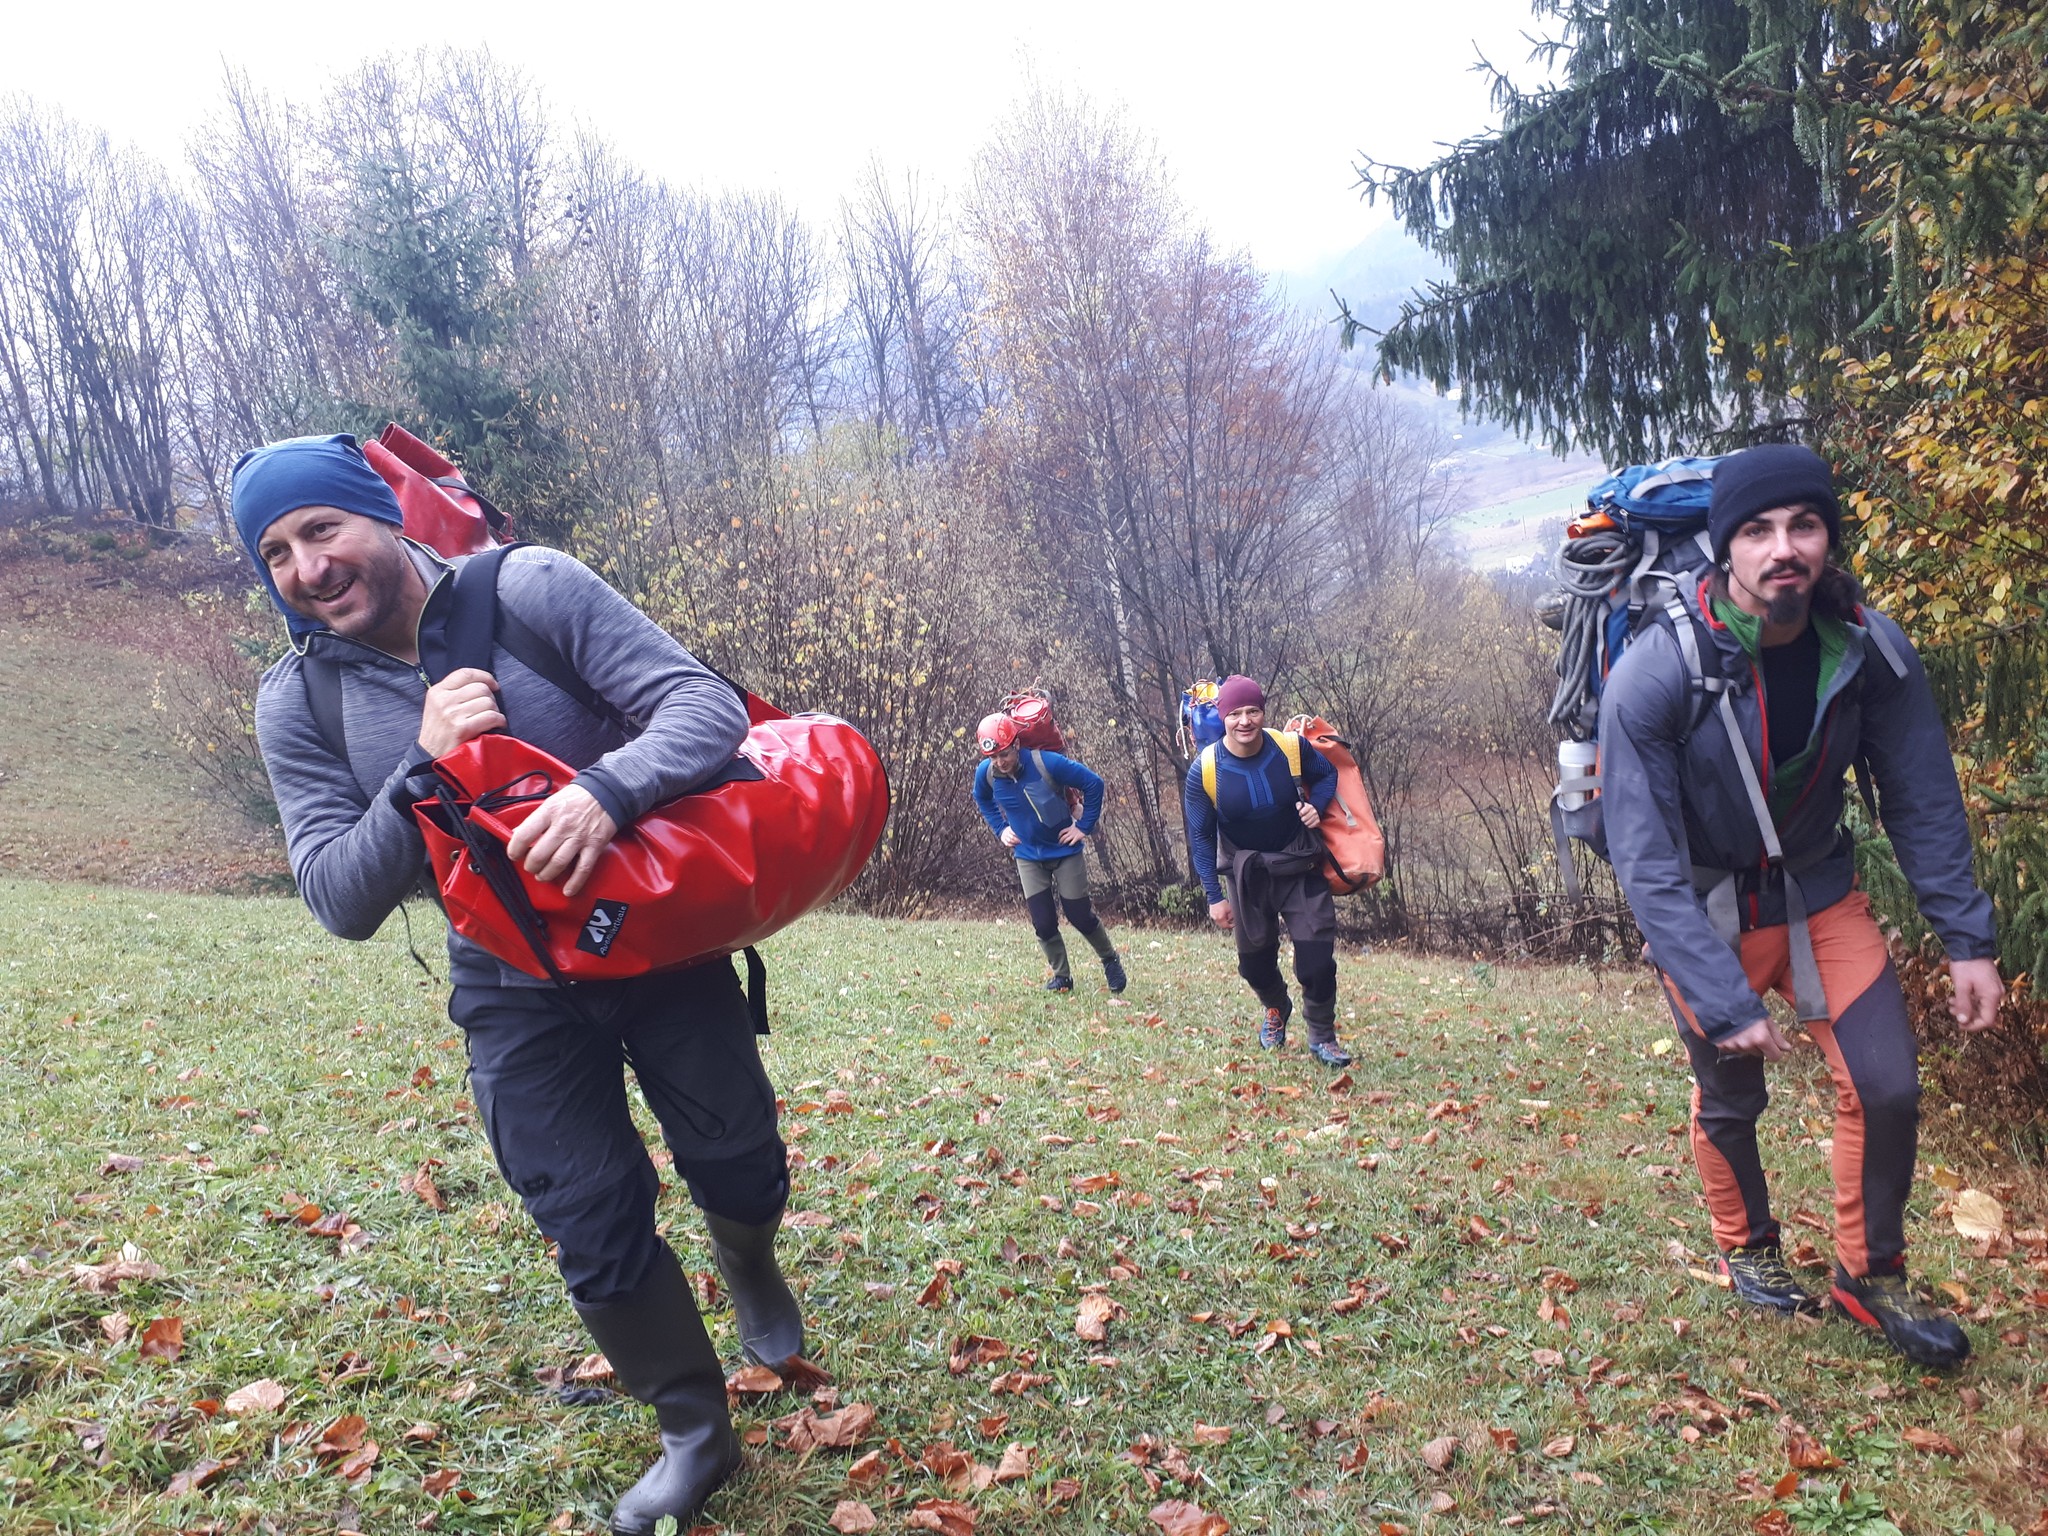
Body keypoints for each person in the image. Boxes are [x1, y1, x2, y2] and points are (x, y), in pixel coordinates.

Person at [238, 434, 801, 1534]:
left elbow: (703, 708)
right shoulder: (295, 702)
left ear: (384, 518)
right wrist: (424, 766)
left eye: (321, 528)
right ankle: (693, 1429)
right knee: (583, 1210)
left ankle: (748, 1259)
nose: (306, 566)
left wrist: (606, 791)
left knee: (736, 1156)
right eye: (275, 552)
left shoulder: (532, 587)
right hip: (506, 978)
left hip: (654, 939)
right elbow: (337, 899)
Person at [1600, 443, 2003, 1368]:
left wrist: (1968, 940)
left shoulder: (1867, 645)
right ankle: (1749, 1249)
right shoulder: (1657, 673)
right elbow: (1645, 857)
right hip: (1707, 914)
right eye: (1757, 529)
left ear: (1827, 537)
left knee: (1888, 1086)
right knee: (1731, 1093)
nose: (1783, 547)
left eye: (1804, 525)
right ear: (1724, 548)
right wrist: (1720, 994)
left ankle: (1869, 1278)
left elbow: (1921, 795)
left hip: (1821, 892)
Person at [1183, 676, 1353, 1068]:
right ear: (1223, 717)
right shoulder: (1205, 771)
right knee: (1254, 965)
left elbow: (1326, 774)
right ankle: (1276, 1006)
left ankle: (1322, 1035)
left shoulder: (1290, 747)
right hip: (1247, 875)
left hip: (1299, 864)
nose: (1245, 721)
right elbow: (1202, 838)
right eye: (1235, 713)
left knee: (1317, 958)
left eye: (1253, 711)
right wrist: (1213, 896)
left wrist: (1318, 806)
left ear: (1263, 712)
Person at [972, 714, 1127, 994]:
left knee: (1079, 914)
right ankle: (1062, 977)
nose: (999, 762)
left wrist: (1083, 827)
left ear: (1016, 744)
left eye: (1004, 754)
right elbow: (981, 798)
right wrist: (1000, 828)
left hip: (1065, 850)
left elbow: (1094, 784)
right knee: (1043, 922)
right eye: (992, 756)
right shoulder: (987, 774)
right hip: (1028, 855)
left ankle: (1110, 959)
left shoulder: (1046, 763)